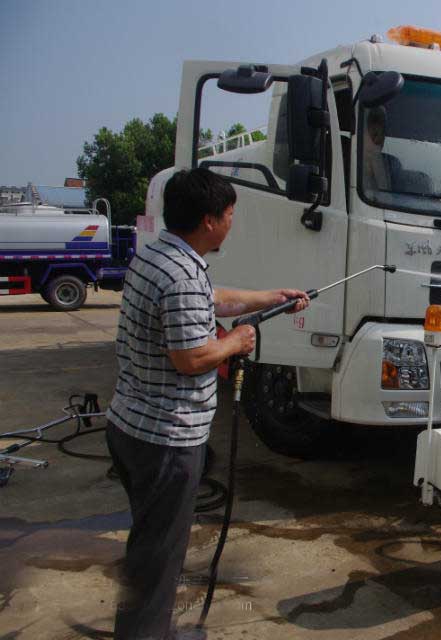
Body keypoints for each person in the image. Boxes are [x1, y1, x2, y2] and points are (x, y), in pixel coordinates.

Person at [105, 168, 309, 640]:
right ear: (210, 220)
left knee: (150, 542)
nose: (233, 222)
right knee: (159, 554)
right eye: (231, 214)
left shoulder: (159, 257)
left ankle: (144, 627)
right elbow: (192, 357)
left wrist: (269, 297)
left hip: (131, 427)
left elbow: (209, 298)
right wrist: (237, 342)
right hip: (165, 439)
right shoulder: (180, 275)